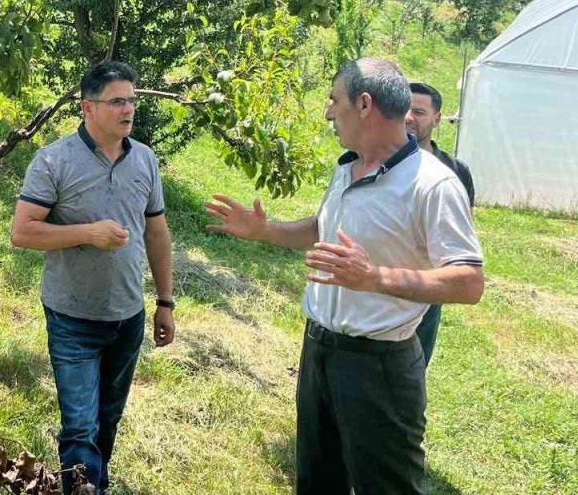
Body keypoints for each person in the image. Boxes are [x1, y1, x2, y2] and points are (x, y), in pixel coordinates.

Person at [204, 58, 484, 495]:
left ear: (365, 104)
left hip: (380, 367)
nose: (329, 112)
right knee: (317, 482)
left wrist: (375, 278)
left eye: (335, 100)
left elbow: (468, 281)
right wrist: (264, 230)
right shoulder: (346, 168)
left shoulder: (433, 185)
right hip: (319, 351)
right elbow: (321, 228)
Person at [10, 61, 176, 495]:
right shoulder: (54, 160)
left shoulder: (144, 159)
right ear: (87, 107)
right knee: (80, 426)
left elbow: (157, 231)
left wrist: (165, 301)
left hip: (127, 316)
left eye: (132, 100)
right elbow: (22, 231)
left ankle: (94, 484)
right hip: (72, 318)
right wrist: (88, 233)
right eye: (117, 101)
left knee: (108, 417)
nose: (128, 109)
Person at [405, 81, 476, 367]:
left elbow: (464, 229)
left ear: (437, 119)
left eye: (419, 112)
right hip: (383, 278)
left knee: (416, 362)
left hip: (428, 285)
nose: (409, 118)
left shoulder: (455, 171)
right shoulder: (379, 161)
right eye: (405, 110)